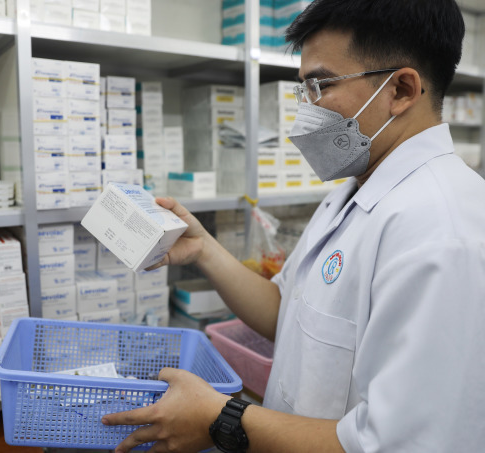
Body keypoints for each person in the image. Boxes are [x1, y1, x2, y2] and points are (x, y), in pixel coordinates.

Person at [101, 0, 485, 451]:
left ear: (400, 89)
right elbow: (289, 312)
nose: (305, 111)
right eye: (304, 89)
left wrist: (220, 419)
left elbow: (397, 443)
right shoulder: (355, 188)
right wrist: (203, 249)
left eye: (320, 84)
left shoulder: (444, 234)